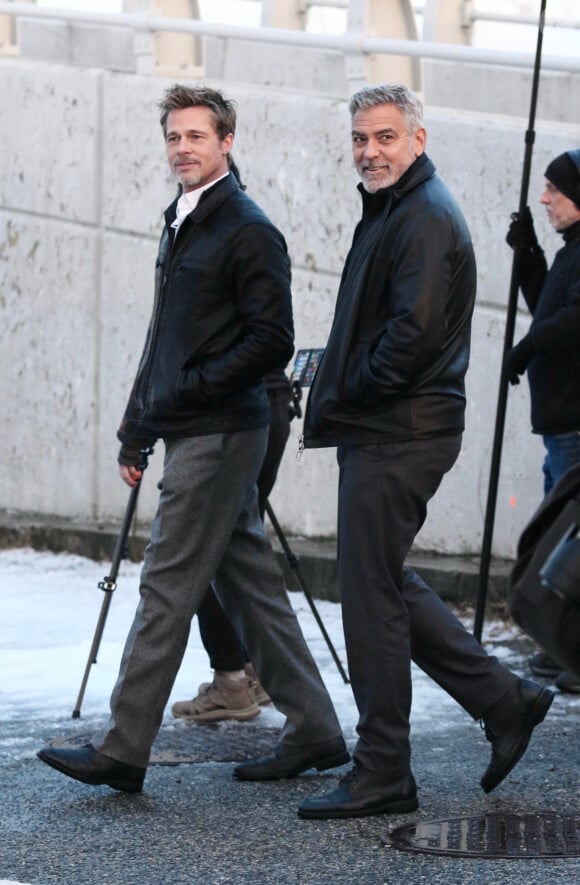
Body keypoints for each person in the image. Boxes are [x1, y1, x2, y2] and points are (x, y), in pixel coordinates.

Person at [246, 82, 554, 820]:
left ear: (418, 138)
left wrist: (344, 390)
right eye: (360, 138)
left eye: (385, 137)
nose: (369, 151)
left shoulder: (420, 216)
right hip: (393, 424)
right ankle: (505, 699)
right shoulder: (396, 208)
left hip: (397, 428)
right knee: (381, 581)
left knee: (369, 596)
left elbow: (409, 341)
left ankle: (385, 766)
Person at [37, 84, 348, 793]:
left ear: (226, 142)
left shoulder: (247, 227)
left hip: (222, 430)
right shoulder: (182, 222)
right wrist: (136, 424)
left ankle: (123, 748)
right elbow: (163, 337)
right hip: (189, 423)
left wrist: (191, 388)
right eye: (174, 136)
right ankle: (318, 728)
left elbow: (273, 340)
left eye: (196, 136)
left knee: (165, 585)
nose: (182, 147)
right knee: (251, 588)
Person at [172, 367, 291, 723]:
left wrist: (134, 435)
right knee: (238, 544)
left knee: (210, 548)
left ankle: (231, 682)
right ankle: (252, 672)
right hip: (272, 401)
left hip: (228, 411)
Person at [505, 148, 580, 694]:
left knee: (568, 542)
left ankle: (567, 645)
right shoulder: (571, 251)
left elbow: (571, 322)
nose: (544, 198)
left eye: (555, 189)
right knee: (560, 537)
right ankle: (561, 644)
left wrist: (527, 347)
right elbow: (550, 309)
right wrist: (529, 254)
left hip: (575, 424)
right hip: (559, 423)